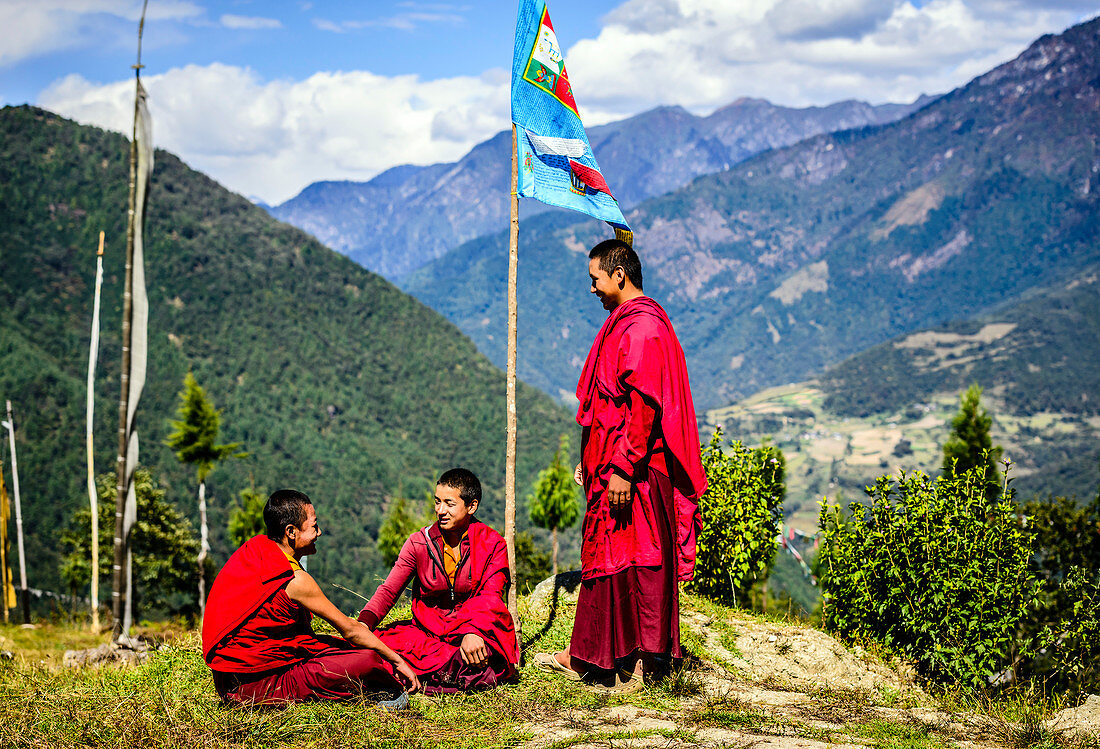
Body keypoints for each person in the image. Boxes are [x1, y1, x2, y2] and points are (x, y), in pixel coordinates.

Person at [535, 238, 708, 692]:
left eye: (595, 279)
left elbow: (644, 404)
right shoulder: (626, 323)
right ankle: (611, 658)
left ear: (619, 275)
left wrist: (623, 467)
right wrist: (592, 459)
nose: (591, 288)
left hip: (636, 470)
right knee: (619, 559)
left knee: (634, 560)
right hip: (615, 464)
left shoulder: (643, 328)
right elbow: (607, 404)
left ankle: (623, 661)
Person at [202, 489, 420, 705]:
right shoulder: (295, 580)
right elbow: (350, 630)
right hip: (256, 685)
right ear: (291, 531)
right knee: (367, 659)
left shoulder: (256, 549)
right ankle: (379, 694)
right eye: (314, 526)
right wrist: (397, 660)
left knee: (341, 648)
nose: (320, 532)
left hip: (228, 679)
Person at [357, 468, 518, 694]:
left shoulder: (492, 544)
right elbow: (389, 590)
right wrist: (363, 625)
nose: (440, 511)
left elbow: (491, 597)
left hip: (472, 630)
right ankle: (449, 675)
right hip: (426, 632)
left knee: (483, 655)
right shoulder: (419, 543)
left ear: (471, 506)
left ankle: (424, 676)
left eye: (449, 504)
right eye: (437, 502)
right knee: (375, 648)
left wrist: (474, 632)